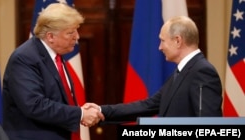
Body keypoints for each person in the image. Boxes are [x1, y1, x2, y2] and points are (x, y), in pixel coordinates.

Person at [83, 16, 223, 126]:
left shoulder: (202, 72)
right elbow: (147, 106)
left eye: (162, 41)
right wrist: (101, 111)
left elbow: (209, 125)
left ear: (178, 41)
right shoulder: (181, 72)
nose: (160, 47)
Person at [2, 3, 104, 140]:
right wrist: (80, 114)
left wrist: (79, 110)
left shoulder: (56, 55)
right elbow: (35, 105)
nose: (77, 37)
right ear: (50, 36)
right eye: (70, 32)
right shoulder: (24, 58)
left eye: (76, 30)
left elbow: (58, 98)